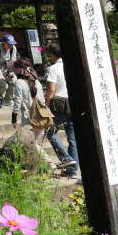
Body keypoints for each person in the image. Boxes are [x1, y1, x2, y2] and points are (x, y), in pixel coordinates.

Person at [44, 43, 79, 178]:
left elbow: (51, 90)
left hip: (60, 106)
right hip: (74, 104)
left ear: (52, 55)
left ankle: (66, 159)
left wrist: (46, 105)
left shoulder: (54, 68)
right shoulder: (72, 66)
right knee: (73, 139)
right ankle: (72, 171)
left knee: (50, 132)